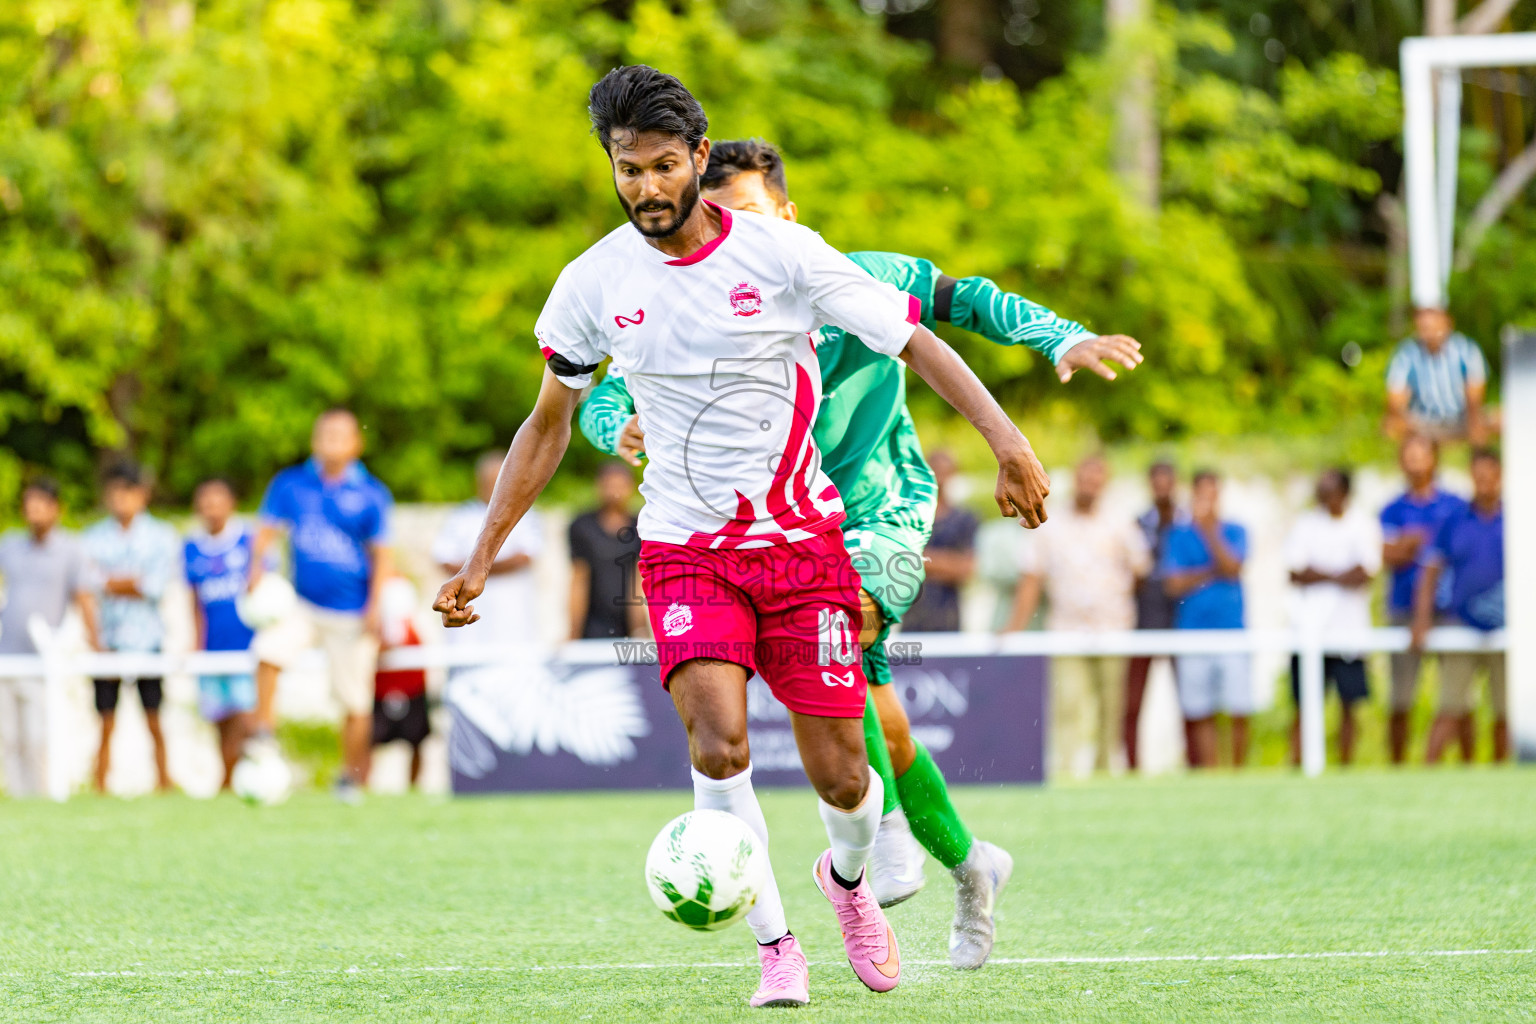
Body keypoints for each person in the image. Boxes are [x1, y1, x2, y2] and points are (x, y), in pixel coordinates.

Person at [435, 67, 1062, 1006]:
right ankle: (776, 947)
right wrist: (480, 556)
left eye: (659, 165)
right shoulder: (592, 282)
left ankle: (847, 886)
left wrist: (1008, 442)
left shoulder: (782, 255)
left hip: (804, 546)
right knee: (720, 744)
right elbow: (547, 424)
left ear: (695, 157)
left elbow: (916, 339)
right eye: (624, 167)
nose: (643, 186)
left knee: (847, 778)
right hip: (686, 553)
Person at [576, 137, 1142, 968]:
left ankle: (881, 844)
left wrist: (1059, 340)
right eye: (718, 218)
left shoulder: (853, 273)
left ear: (790, 218)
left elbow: (967, 301)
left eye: (750, 217)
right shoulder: (691, 294)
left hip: (881, 506)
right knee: (868, 705)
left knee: (854, 625)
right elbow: (604, 393)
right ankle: (970, 861)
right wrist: (615, 428)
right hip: (774, 526)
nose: (733, 236)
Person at [250, 409, 395, 805]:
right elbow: (265, 532)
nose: (330, 440)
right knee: (267, 650)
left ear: (356, 444)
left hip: (351, 609)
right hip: (301, 603)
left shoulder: (372, 494)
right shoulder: (291, 484)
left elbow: (382, 555)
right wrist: (256, 571)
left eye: (339, 434)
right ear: (314, 440)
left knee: (355, 700)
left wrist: (375, 606)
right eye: (324, 433)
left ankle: (350, 778)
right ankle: (263, 731)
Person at [1002, 454, 1150, 778]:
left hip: (1114, 628)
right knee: (1067, 703)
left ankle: (1104, 772)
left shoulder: (1120, 522)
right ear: (1076, 479)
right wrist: (1013, 628)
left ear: (1105, 483)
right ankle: (1065, 772)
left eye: (1097, 479)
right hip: (1066, 629)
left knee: (1111, 708)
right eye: (1086, 478)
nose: (1090, 485)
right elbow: (1032, 577)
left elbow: (1140, 569)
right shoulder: (1050, 523)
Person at [82, 462, 180, 794]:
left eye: (128, 492)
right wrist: (130, 582)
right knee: (105, 720)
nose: (121, 499)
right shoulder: (92, 536)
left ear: (142, 495)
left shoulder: (161, 535)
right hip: (108, 639)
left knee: (154, 717)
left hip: (148, 638)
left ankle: (164, 782)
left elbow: (154, 586)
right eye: (115, 493)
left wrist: (109, 582)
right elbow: (88, 584)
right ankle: (100, 784)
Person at [0, 479, 97, 797]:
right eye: (29, 505)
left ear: (56, 508)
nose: (34, 512)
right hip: (7, 654)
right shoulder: (10, 546)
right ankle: (16, 796)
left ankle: (40, 796)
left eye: (41, 504)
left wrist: (95, 641)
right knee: (7, 736)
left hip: (43, 659)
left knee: (39, 734)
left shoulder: (70, 549)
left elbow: (83, 595)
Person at [1412, 448, 1506, 763]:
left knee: (1504, 711)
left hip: (1506, 628)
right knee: (1450, 706)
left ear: (1500, 476)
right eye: (1477, 476)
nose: (1484, 483)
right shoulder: (1454, 520)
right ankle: (1427, 775)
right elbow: (1430, 572)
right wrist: (1421, 619)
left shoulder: (1518, 518)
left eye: (1489, 476)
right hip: (1461, 623)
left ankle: (1501, 779)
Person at [1283, 469, 1380, 766]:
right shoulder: (1306, 523)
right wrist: (1340, 574)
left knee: (1349, 705)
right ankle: (1297, 763)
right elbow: (1296, 572)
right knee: (1304, 705)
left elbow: (1366, 573)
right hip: (1309, 628)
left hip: (1349, 631)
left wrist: (1321, 573)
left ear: (1344, 491)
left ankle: (1345, 766)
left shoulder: (1362, 523)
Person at [1379, 435, 1466, 763]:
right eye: (1409, 456)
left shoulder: (1455, 505)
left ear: (1435, 460)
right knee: (1400, 698)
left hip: (1450, 609)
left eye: (1422, 456)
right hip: (1403, 608)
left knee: (1458, 698)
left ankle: (1465, 769)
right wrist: (1411, 545)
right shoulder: (1392, 508)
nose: (1415, 463)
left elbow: (1457, 553)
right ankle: (1398, 768)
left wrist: (1411, 545)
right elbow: (1386, 555)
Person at [1162, 470, 1250, 769]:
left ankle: (1238, 772)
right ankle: (1211, 770)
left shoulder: (1236, 530)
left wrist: (1210, 532)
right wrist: (1212, 571)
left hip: (1231, 630)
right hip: (1193, 631)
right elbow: (1173, 585)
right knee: (1201, 709)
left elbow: (1233, 567)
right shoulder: (1178, 534)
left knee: (1239, 707)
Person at [184, 479, 258, 792]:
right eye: (205, 502)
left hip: (247, 646)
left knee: (246, 720)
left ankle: (239, 779)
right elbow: (195, 603)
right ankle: (228, 779)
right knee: (220, 720)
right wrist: (196, 644)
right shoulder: (191, 548)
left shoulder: (249, 541)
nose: (211, 508)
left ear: (231, 503)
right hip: (212, 647)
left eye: (217, 501)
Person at [432, 451, 544, 647]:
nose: (494, 487)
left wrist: (474, 571)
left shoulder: (526, 515)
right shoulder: (459, 517)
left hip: (513, 621)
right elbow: (445, 560)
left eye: (500, 480)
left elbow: (524, 557)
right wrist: (484, 570)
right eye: (490, 481)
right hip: (469, 630)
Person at [1126, 461, 1187, 771]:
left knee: (1189, 700)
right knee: (1133, 702)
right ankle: (1132, 766)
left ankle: (1197, 766)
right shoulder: (1137, 523)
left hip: (1181, 618)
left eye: (1168, 481)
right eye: (1157, 481)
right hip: (1145, 618)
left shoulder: (1188, 522)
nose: (1162, 487)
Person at [1384, 307, 1493, 444]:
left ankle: (1482, 457)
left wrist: (1474, 421)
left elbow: (1475, 393)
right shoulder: (1406, 353)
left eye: (1433, 326)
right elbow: (1396, 396)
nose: (1430, 333)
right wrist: (1399, 415)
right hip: (1421, 421)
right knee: (1391, 425)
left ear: (1448, 323)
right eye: (1424, 328)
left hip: (1462, 418)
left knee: (1502, 418)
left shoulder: (1466, 349)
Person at [566, 462, 645, 640]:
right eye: (609, 485)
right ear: (599, 486)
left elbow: (638, 580)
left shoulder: (641, 527)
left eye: (620, 486)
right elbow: (579, 577)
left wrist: (640, 629)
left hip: (630, 622)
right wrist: (573, 631)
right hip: (592, 620)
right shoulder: (582, 526)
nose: (614, 492)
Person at [900, 450, 977, 634]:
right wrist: (947, 563)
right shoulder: (908, 516)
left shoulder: (965, 518)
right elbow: (897, 563)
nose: (939, 478)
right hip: (911, 618)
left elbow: (966, 570)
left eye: (944, 471)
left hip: (949, 619)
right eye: (934, 470)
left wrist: (920, 560)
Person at [370, 576, 430, 789]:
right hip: (379, 691)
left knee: (416, 741)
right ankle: (362, 785)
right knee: (371, 741)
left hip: (412, 689)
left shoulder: (413, 630)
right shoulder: (373, 629)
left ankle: (413, 788)